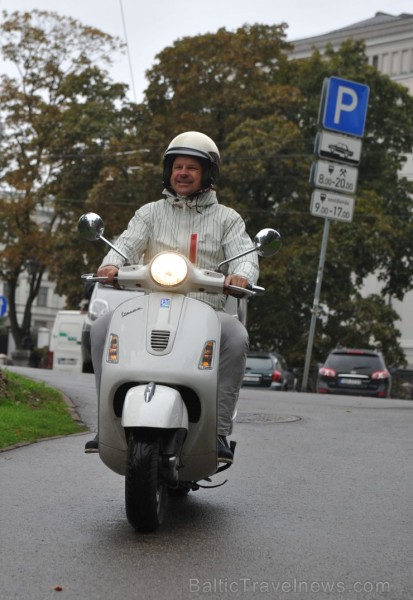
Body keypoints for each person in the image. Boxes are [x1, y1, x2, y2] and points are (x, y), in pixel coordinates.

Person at [85, 131, 259, 463]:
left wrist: (243, 275)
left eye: (192, 168)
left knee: (236, 335)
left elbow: (245, 256)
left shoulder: (227, 218)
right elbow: (125, 243)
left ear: (207, 175)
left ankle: (219, 431)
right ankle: (104, 424)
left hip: (206, 310)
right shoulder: (150, 212)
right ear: (169, 171)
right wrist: (110, 264)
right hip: (151, 306)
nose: (183, 173)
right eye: (177, 166)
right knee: (100, 328)